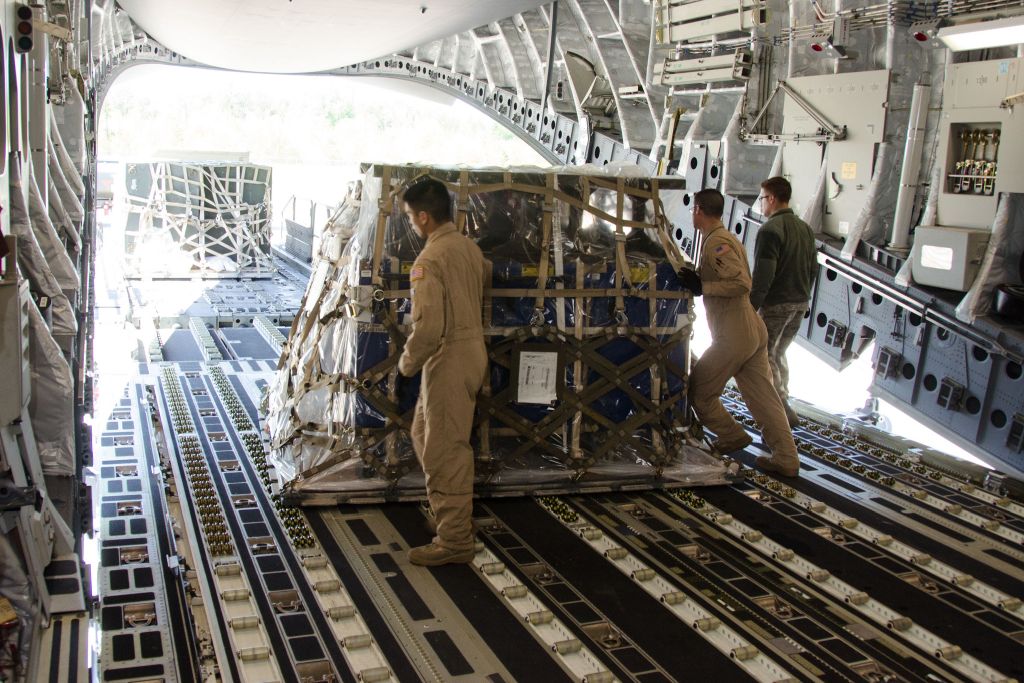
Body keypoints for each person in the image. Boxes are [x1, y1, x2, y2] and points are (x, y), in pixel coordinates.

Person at [398, 177, 488, 565]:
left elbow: (429, 328)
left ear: (423, 216)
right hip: (472, 352)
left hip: (448, 357)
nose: (410, 223)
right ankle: (453, 514)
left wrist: (406, 366)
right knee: (423, 434)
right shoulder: (468, 248)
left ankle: (454, 541)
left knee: (446, 452)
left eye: (409, 216)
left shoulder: (429, 261)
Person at [679, 189, 800, 477]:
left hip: (734, 333)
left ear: (698, 210)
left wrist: (702, 287)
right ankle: (787, 459)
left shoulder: (717, 242)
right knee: (765, 399)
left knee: (699, 391)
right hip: (749, 329)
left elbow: (741, 283)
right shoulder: (725, 237)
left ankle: (731, 435)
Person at [750, 177, 817, 427]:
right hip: (799, 303)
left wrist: (750, 307)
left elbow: (763, 275)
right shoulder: (805, 229)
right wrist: (803, 295)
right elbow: (813, 269)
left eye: (762, 199)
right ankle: (784, 398)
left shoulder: (770, 230)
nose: (761, 204)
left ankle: (778, 408)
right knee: (778, 352)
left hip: (776, 303)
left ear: (772, 199)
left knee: (764, 354)